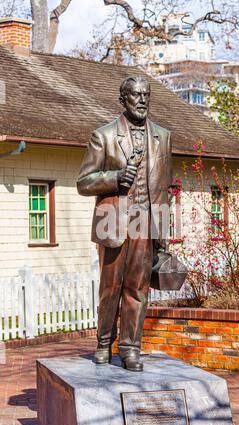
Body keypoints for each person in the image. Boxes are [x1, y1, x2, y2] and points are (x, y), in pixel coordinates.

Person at [77, 75, 172, 371]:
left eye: (146, 95)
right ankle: (104, 342)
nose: (142, 100)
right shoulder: (103, 136)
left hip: (145, 223)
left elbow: (163, 187)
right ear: (123, 99)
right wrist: (115, 178)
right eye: (135, 95)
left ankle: (131, 348)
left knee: (138, 289)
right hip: (113, 222)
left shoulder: (163, 137)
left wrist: (163, 231)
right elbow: (83, 182)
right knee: (110, 289)